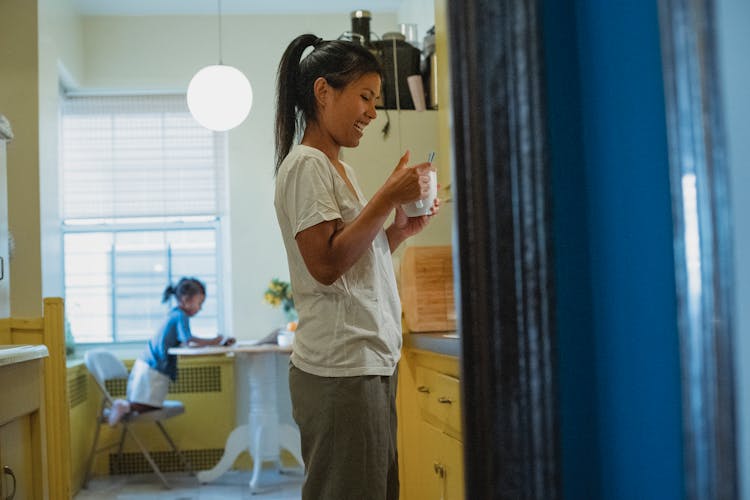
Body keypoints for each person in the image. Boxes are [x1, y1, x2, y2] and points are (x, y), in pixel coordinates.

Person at [273, 34, 440, 500]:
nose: (372, 111)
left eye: (376, 101)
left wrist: (399, 231)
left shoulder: (337, 168)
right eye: (365, 97)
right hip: (341, 371)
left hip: (363, 366)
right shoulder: (308, 165)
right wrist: (387, 197)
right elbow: (324, 265)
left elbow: (349, 261)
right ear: (323, 92)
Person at [108, 277, 235, 425]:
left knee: (152, 404)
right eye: (199, 303)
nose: (200, 308)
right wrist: (215, 341)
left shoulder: (175, 314)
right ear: (186, 300)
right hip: (153, 366)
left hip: (151, 365)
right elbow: (188, 341)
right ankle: (123, 406)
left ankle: (125, 406)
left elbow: (185, 342)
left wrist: (216, 343)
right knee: (149, 405)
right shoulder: (180, 316)